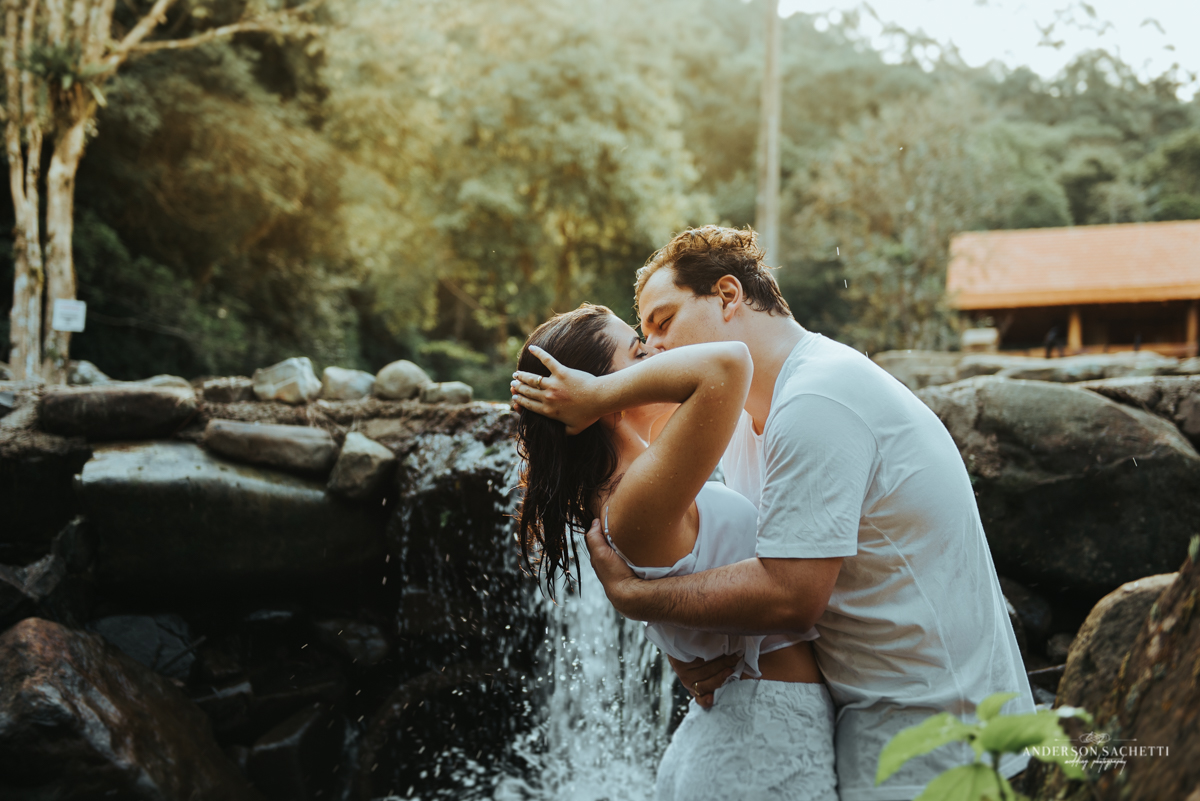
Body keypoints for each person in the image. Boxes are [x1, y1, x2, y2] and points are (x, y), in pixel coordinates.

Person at [511, 226, 1034, 801]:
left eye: (662, 322)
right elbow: (705, 558)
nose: (654, 351)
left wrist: (643, 603)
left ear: (729, 296)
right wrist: (693, 647)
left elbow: (789, 594)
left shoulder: (816, 401)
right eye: (641, 341)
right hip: (854, 713)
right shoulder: (741, 426)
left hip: (932, 719)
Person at [511, 303, 838, 801]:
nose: (658, 355)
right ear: (594, 394)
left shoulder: (637, 482)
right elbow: (729, 364)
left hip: (750, 736)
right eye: (639, 352)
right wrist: (597, 395)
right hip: (760, 745)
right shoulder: (632, 497)